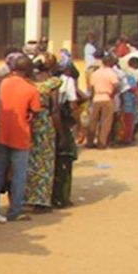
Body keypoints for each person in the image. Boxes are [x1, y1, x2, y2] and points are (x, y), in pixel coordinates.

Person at [0, 55, 41, 222]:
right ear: (28, 70)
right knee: (19, 176)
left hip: (2, 134)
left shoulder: (4, 83)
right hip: (21, 136)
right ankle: (14, 211)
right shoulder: (31, 89)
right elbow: (35, 111)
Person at [25, 54, 63, 213]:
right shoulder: (52, 83)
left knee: (31, 161)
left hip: (30, 122)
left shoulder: (29, 82)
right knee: (45, 162)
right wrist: (60, 132)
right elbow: (55, 109)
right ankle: (41, 201)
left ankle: (28, 198)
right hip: (45, 123)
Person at [52, 58, 80, 209]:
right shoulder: (66, 82)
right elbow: (73, 105)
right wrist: (80, 125)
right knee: (65, 158)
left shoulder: (43, 81)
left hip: (46, 126)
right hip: (62, 123)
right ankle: (62, 197)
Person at [86, 54, 119, 149]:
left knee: (93, 121)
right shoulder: (111, 73)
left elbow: (91, 87)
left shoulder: (95, 73)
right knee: (106, 122)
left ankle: (90, 141)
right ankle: (102, 143)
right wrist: (113, 94)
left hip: (96, 98)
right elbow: (116, 85)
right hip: (107, 97)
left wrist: (91, 98)